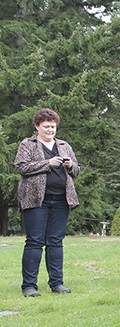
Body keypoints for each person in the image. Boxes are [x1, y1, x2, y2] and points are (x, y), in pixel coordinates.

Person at [14, 108, 80, 297]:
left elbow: (76, 170)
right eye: (46, 127)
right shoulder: (28, 144)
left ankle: (57, 283)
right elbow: (21, 167)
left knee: (56, 242)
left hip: (61, 200)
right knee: (34, 242)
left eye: (53, 127)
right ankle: (29, 286)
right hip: (36, 200)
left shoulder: (64, 145)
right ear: (37, 126)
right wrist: (47, 163)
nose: (50, 130)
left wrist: (70, 165)